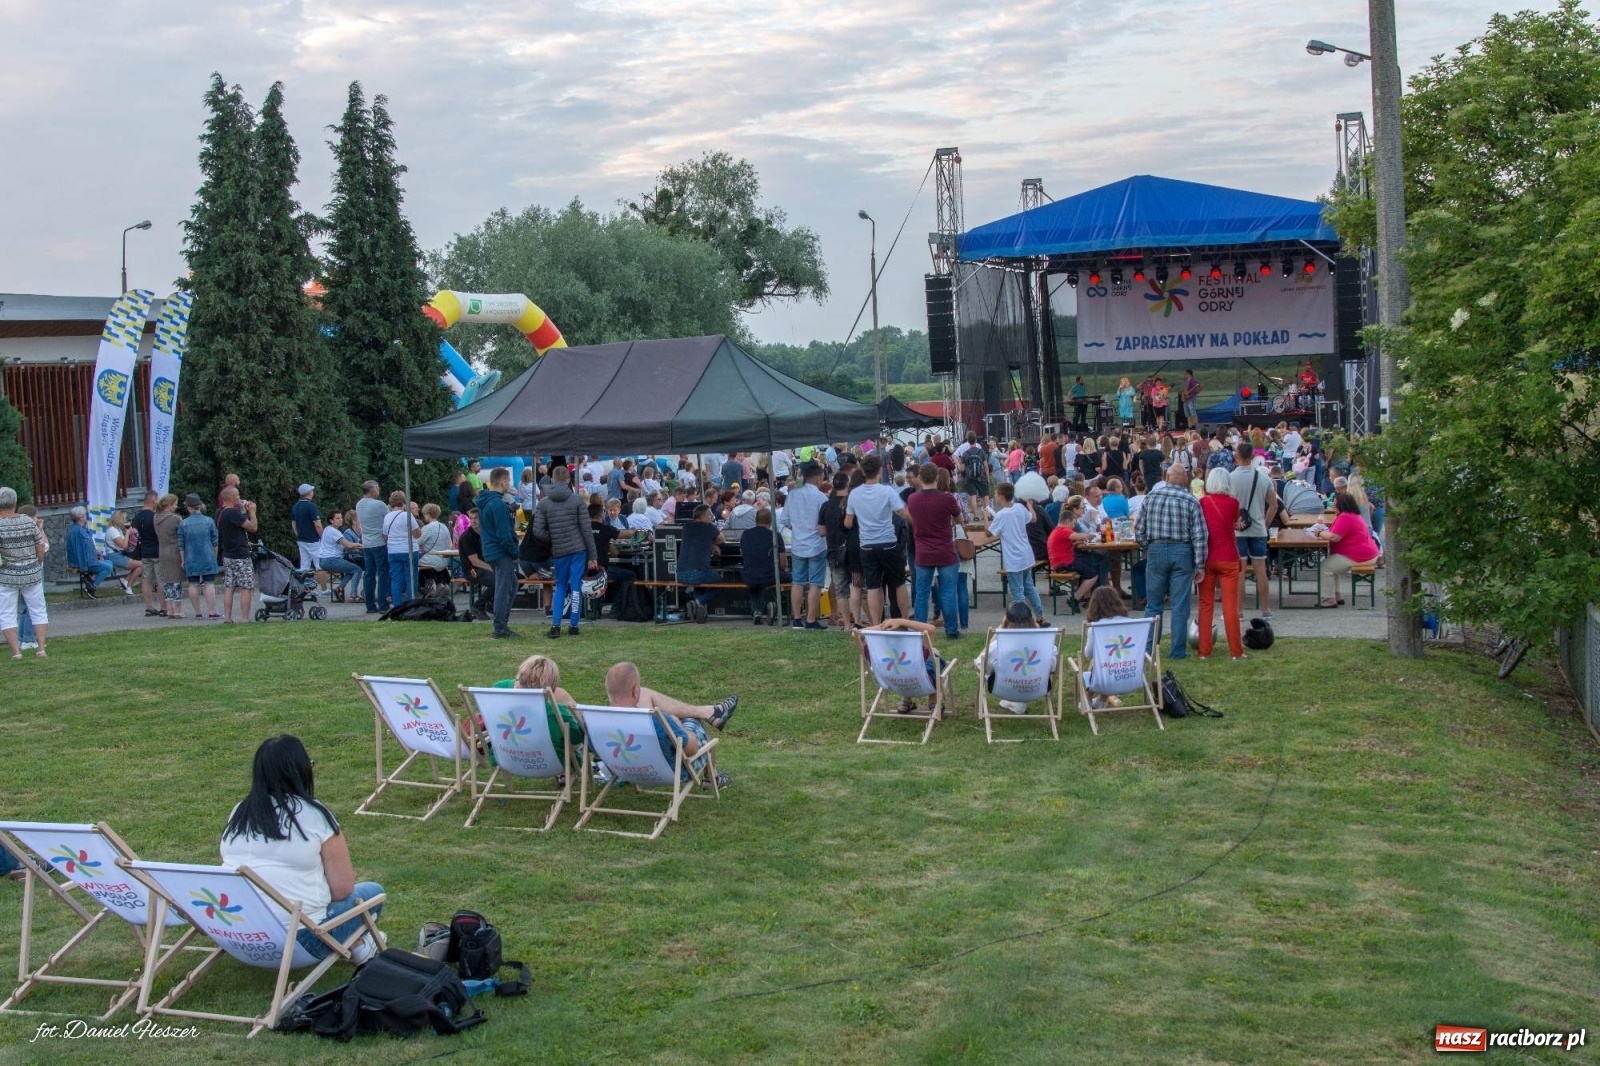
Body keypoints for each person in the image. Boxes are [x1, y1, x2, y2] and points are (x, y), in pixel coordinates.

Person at [220, 736, 384, 964]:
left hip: (236, 936)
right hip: (301, 942)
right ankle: (358, 945)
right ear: (300, 771)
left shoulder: (240, 812)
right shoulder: (313, 814)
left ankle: (357, 945)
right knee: (372, 893)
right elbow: (342, 889)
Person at [604, 662, 737, 787]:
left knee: (648, 695)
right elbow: (692, 749)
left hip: (621, 769)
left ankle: (710, 712)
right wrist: (677, 724)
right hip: (668, 772)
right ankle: (712, 778)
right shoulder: (658, 721)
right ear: (635, 691)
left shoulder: (593, 720)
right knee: (693, 721)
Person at [1137, 463, 1208, 661]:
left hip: (1156, 549)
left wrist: (1147, 546)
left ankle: (1149, 650)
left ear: (1166, 478)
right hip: (1182, 550)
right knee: (1180, 604)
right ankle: (1177, 651)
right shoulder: (1191, 501)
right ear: (1185, 480)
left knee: (1153, 604)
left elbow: (1139, 528)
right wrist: (1200, 563)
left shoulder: (1150, 498)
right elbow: (1200, 535)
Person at [531, 464, 596, 639]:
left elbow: (537, 531)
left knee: (559, 586)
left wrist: (552, 538)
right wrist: (593, 555)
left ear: (552, 479)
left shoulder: (543, 503)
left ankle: (555, 625)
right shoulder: (577, 501)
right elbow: (586, 530)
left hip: (559, 550)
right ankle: (574, 624)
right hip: (578, 549)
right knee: (575, 586)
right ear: (568, 480)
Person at [845, 453, 910, 626]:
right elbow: (903, 512)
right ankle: (904, 620)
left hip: (866, 545)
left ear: (863, 472)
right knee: (898, 583)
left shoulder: (854, 494)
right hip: (888, 542)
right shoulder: (887, 491)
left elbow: (848, 522)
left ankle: (876, 624)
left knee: (874, 586)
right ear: (880, 470)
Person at [489, 654, 586, 767]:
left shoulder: (496, 694)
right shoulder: (557, 713)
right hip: (551, 764)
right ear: (551, 688)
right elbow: (576, 739)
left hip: (506, 758)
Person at [906, 462, 962, 641]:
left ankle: (921, 630)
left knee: (922, 592)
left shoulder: (913, 499)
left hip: (923, 551)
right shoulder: (947, 499)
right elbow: (959, 519)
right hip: (945, 549)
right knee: (948, 591)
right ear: (937, 477)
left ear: (920, 478)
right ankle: (951, 630)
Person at [975, 601, 1058, 713]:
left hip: (1004, 688)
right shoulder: (1046, 646)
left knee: (994, 668)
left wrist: (996, 635)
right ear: (1032, 620)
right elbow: (1053, 667)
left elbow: (980, 664)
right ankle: (1017, 703)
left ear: (1005, 621)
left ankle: (1015, 702)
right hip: (1038, 688)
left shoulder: (998, 646)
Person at [1197, 469, 1245, 660]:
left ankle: (1204, 650)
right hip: (1228, 557)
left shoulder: (1203, 502)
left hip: (1208, 556)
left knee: (1205, 604)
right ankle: (1235, 651)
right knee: (1230, 605)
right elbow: (1232, 523)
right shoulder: (1233, 503)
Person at [1229, 440, 1280, 620]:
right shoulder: (1264, 478)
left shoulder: (1230, 478)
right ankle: (1265, 610)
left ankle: (1239, 611)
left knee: (1239, 571)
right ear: (1253, 457)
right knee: (1261, 569)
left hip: (1238, 530)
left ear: (1236, 456)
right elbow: (1273, 505)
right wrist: (1264, 525)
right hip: (1258, 529)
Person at [0, 486, 48, 660]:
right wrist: (37, 562)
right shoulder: (28, 521)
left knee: (6, 613)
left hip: (6, 575)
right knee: (38, 610)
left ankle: (16, 652)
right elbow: (40, 544)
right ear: (14, 502)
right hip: (31, 572)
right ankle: (41, 648)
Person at [781, 462, 830, 631]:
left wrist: (798, 528)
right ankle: (810, 619)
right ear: (818, 478)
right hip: (816, 543)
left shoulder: (792, 495)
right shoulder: (821, 497)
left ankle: (796, 619)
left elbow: (785, 520)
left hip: (798, 544)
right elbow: (825, 522)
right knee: (816, 583)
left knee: (798, 581)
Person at [990, 482, 1044, 626]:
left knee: (1018, 592)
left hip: (1014, 559)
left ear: (1001, 497)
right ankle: (1040, 615)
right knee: (1029, 586)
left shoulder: (1001, 515)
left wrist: (985, 517)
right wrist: (1030, 506)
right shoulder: (1020, 508)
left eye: (996, 494)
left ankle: (1022, 620)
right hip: (1026, 554)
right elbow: (1033, 518)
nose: (995, 496)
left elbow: (989, 533)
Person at [476, 469, 522, 638]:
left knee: (511, 585)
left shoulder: (487, 502)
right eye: (508, 480)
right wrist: (514, 551)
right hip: (501, 551)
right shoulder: (497, 504)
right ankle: (500, 627)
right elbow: (503, 534)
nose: (509, 484)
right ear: (502, 481)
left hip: (490, 550)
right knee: (504, 588)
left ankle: (501, 624)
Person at [1316, 492, 1381, 607]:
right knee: (1333, 564)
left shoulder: (1345, 517)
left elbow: (1334, 537)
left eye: (1335, 505)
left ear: (1342, 505)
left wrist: (1319, 533)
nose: (1333, 506)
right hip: (1368, 552)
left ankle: (1329, 599)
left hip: (1359, 555)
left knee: (1325, 566)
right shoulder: (1354, 515)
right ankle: (1337, 594)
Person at [1046, 495, 1101, 606]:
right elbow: (1080, 535)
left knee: (1089, 562)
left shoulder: (1057, 530)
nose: (1074, 525)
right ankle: (1075, 598)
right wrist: (1090, 536)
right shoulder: (1063, 530)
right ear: (1067, 521)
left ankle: (1086, 597)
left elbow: (1068, 542)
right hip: (1064, 563)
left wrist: (1076, 543)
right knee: (1093, 574)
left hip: (1061, 561)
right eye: (1073, 523)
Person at [217, 487, 258, 623]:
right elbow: (252, 527)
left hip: (228, 553)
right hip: (240, 554)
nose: (239, 498)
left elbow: (232, 532)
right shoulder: (232, 513)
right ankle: (245, 618)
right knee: (246, 585)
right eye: (237, 495)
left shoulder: (220, 512)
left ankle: (228, 617)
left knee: (230, 585)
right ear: (231, 498)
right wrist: (252, 512)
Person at [739, 509, 785, 622]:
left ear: (756, 520)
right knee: (795, 578)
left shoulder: (746, 534)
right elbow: (783, 563)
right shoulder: (775, 536)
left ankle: (757, 611)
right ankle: (783, 608)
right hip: (769, 576)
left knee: (754, 581)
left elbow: (743, 554)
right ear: (771, 521)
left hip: (749, 575)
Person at [354, 481, 389, 614]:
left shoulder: (359, 504)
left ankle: (370, 605)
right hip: (379, 542)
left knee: (369, 574)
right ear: (373, 490)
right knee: (383, 573)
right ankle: (383, 604)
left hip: (367, 543)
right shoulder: (379, 505)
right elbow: (388, 519)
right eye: (378, 488)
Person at [64, 507, 116, 598]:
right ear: (80, 517)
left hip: (90, 559)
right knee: (107, 567)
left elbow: (86, 547)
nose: (86, 517)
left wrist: (96, 552)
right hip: (85, 562)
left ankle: (89, 581)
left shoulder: (79, 529)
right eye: (85, 515)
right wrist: (83, 567)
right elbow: (79, 550)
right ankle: (91, 588)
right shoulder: (78, 531)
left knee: (109, 563)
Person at [381, 491, 421, 608]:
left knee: (396, 579)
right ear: (404, 502)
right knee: (411, 579)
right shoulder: (408, 515)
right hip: (409, 549)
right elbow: (417, 534)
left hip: (393, 551)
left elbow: (385, 535)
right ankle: (411, 605)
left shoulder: (387, 516)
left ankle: (397, 605)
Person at [315, 508, 361, 603]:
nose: (340, 520)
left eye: (341, 518)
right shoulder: (333, 531)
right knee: (357, 569)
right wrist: (361, 546)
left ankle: (339, 588)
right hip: (331, 559)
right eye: (337, 518)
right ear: (331, 520)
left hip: (324, 560)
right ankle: (353, 595)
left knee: (351, 569)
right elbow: (347, 545)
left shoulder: (327, 529)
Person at [153, 494, 185, 619]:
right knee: (177, 581)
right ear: (169, 505)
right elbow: (183, 534)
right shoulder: (175, 519)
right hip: (174, 551)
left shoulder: (155, 518)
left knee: (167, 581)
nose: (176, 507)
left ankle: (170, 609)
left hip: (162, 551)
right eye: (175, 504)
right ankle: (178, 610)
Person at [415, 503, 453, 595]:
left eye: (424, 514)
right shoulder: (444, 527)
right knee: (429, 562)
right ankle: (441, 582)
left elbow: (417, 543)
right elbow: (450, 544)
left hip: (432, 558)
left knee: (414, 562)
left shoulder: (427, 528)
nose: (424, 516)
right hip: (444, 560)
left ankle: (425, 586)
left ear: (428, 514)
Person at [290, 484, 323, 586]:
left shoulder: (295, 506)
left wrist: (298, 535)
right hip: (313, 539)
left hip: (301, 539)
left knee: (304, 566)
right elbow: (317, 524)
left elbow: (293, 523)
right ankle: (324, 589)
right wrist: (323, 536)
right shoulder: (311, 506)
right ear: (309, 493)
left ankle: (305, 588)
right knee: (319, 564)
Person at [103, 511, 139, 596]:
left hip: (119, 554)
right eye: (123, 519)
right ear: (118, 519)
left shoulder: (117, 529)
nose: (125, 521)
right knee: (142, 565)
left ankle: (126, 581)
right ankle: (127, 584)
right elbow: (123, 545)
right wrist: (127, 532)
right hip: (114, 555)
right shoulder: (112, 530)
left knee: (140, 565)